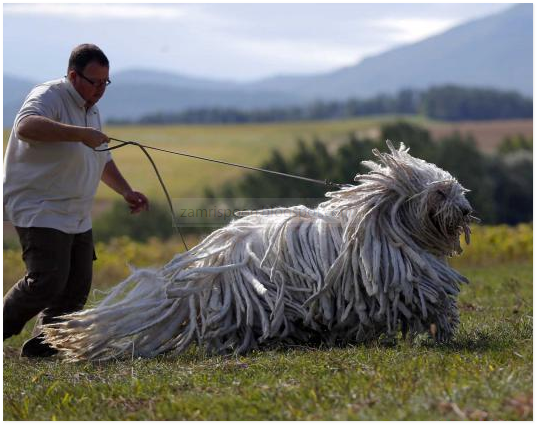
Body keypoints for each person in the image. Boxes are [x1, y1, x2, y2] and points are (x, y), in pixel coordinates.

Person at [3, 43, 149, 357]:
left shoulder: (91, 109)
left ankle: (45, 347)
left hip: (76, 211)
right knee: (46, 282)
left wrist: (125, 191)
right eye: (94, 82)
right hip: (39, 206)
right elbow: (26, 126)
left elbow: (101, 160)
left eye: (105, 83)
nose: (100, 90)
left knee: (75, 288)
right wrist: (79, 133)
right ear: (73, 75)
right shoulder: (49, 96)